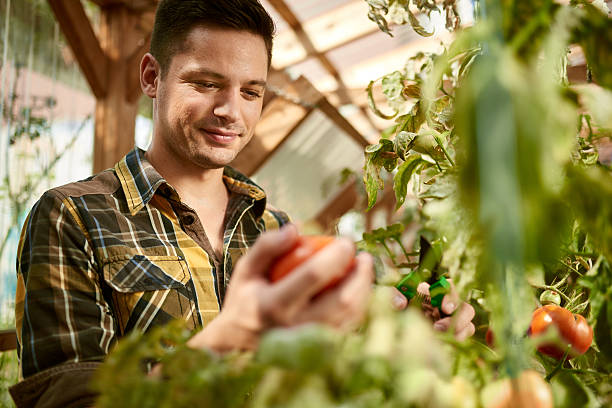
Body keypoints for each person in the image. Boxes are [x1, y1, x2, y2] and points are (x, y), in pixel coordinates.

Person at [10, 1, 473, 407]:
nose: (232, 110)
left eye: (251, 91)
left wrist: (403, 341)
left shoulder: (276, 230)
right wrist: (230, 339)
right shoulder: (72, 217)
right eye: (207, 83)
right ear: (152, 76)